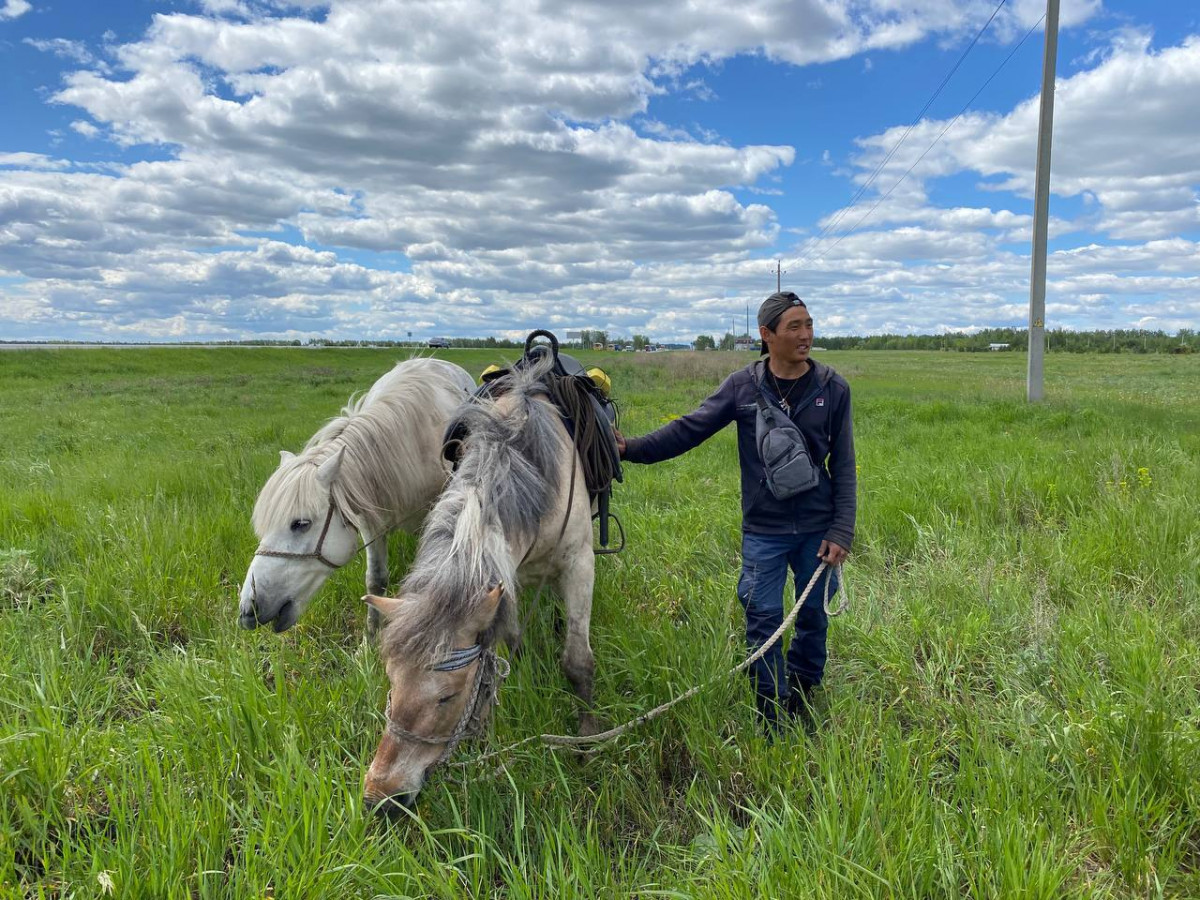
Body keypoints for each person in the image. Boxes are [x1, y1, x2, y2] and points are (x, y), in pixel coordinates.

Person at [615, 291, 856, 731]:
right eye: (794, 327)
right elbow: (688, 429)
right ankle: (771, 714)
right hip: (764, 529)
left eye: (809, 325)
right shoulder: (742, 387)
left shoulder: (833, 388)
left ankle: (803, 696)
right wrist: (630, 449)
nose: (806, 335)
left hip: (818, 529)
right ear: (766, 335)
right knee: (762, 620)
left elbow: (843, 464)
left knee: (814, 615)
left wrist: (842, 530)